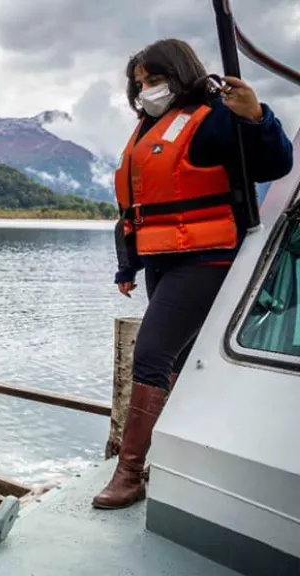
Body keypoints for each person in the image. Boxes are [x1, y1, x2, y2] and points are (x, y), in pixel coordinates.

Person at [94, 38, 293, 509]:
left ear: (179, 74)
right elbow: (133, 208)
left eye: (153, 80)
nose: (144, 90)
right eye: (139, 84)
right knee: (179, 361)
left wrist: (257, 117)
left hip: (205, 259)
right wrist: (128, 266)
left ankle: (129, 473)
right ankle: (173, 458)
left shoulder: (214, 118)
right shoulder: (148, 128)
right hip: (162, 261)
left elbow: (275, 162)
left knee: (151, 355)